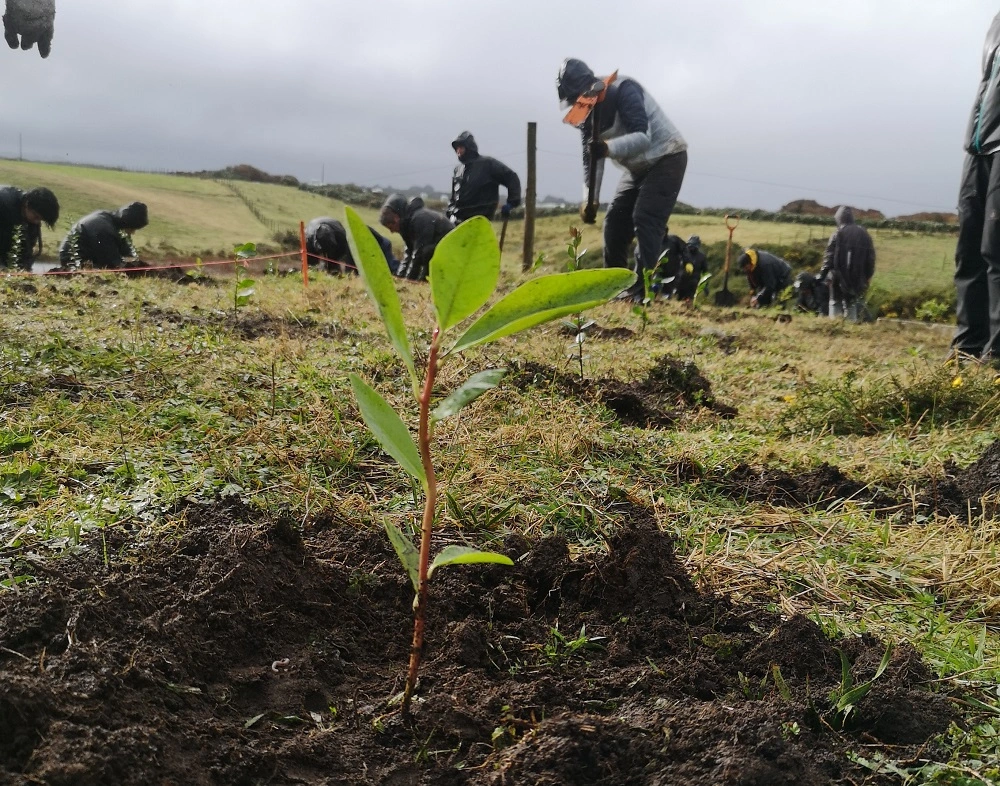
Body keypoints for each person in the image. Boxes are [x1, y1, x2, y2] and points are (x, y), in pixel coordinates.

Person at [557, 58, 688, 302]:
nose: (579, 104)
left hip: (667, 156)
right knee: (614, 224)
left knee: (645, 218)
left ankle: (643, 291)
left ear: (588, 87)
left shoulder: (625, 90)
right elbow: (592, 161)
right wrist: (590, 200)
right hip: (637, 168)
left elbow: (643, 138)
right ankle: (615, 289)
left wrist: (606, 148)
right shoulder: (586, 115)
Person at [953, 11, 1000, 366]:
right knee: (968, 249)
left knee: (995, 250)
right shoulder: (996, 21)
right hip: (979, 144)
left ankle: (997, 357)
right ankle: (966, 350)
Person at [446, 131, 522, 224]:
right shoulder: (458, 170)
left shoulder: (488, 164)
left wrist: (512, 203)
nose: (458, 151)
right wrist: (450, 211)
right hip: (458, 221)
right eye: (456, 148)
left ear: (469, 147)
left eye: (461, 147)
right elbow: (454, 196)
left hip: (480, 219)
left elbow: (511, 177)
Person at [818, 206, 875, 321]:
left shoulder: (838, 233)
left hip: (837, 276)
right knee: (851, 303)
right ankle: (850, 327)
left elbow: (829, 257)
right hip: (857, 277)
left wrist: (822, 274)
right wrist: (868, 276)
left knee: (835, 302)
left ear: (839, 219)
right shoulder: (864, 234)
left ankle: (835, 324)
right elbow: (870, 258)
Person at [378, 194, 452, 281]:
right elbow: (409, 254)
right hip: (436, 249)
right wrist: (399, 278)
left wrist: (409, 280)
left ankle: (426, 280)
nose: (392, 231)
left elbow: (418, 254)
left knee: (425, 252)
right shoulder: (406, 223)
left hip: (449, 251)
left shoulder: (419, 219)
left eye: (391, 227)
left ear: (396, 219)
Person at [58, 202, 148, 269]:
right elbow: (113, 262)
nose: (133, 232)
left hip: (88, 256)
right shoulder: (105, 230)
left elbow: (126, 253)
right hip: (73, 260)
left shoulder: (111, 222)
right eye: (132, 229)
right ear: (127, 223)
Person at [304, 217, 398, 276]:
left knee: (389, 268)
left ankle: (400, 274)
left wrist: (348, 273)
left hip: (381, 246)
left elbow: (349, 257)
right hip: (379, 245)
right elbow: (309, 260)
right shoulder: (309, 238)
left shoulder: (342, 236)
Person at [0, 184, 59, 270]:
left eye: (41, 220)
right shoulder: (3, 203)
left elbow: (24, 252)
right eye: (36, 217)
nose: (37, 222)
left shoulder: (30, 221)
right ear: (27, 204)